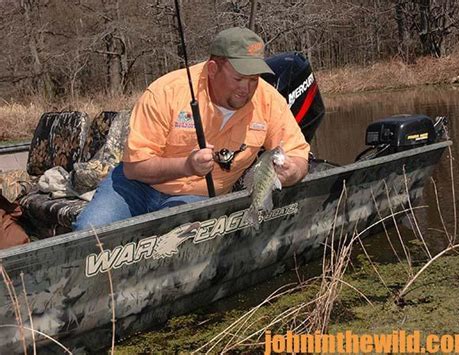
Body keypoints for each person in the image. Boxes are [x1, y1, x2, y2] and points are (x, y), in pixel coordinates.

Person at [73, 27, 310, 231]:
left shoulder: (268, 100)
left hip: (197, 196)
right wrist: (187, 165)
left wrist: (293, 172)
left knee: (180, 239)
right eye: (238, 79)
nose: (246, 88)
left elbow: (298, 154)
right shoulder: (166, 92)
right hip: (136, 187)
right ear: (213, 69)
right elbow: (135, 168)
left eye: (254, 79)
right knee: (89, 232)